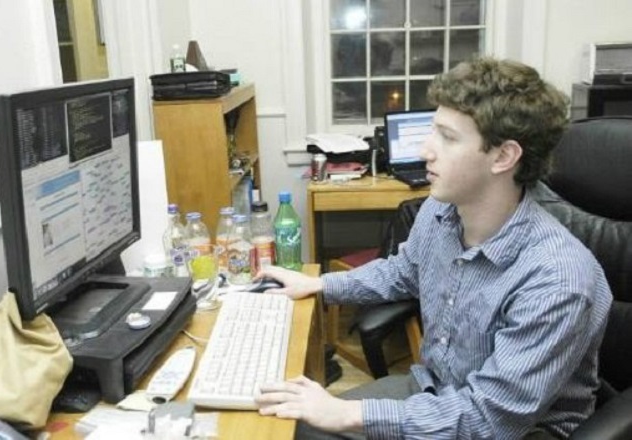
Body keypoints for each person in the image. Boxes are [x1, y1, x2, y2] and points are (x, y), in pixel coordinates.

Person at [254, 56, 613, 439]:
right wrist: (320, 285)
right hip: (436, 390)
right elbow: (402, 271)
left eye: (448, 137)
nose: (425, 150)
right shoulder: (441, 209)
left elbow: (489, 419)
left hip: (514, 429)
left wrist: (347, 413)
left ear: (504, 156)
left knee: (318, 423)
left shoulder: (557, 279)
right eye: (432, 131)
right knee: (292, 424)